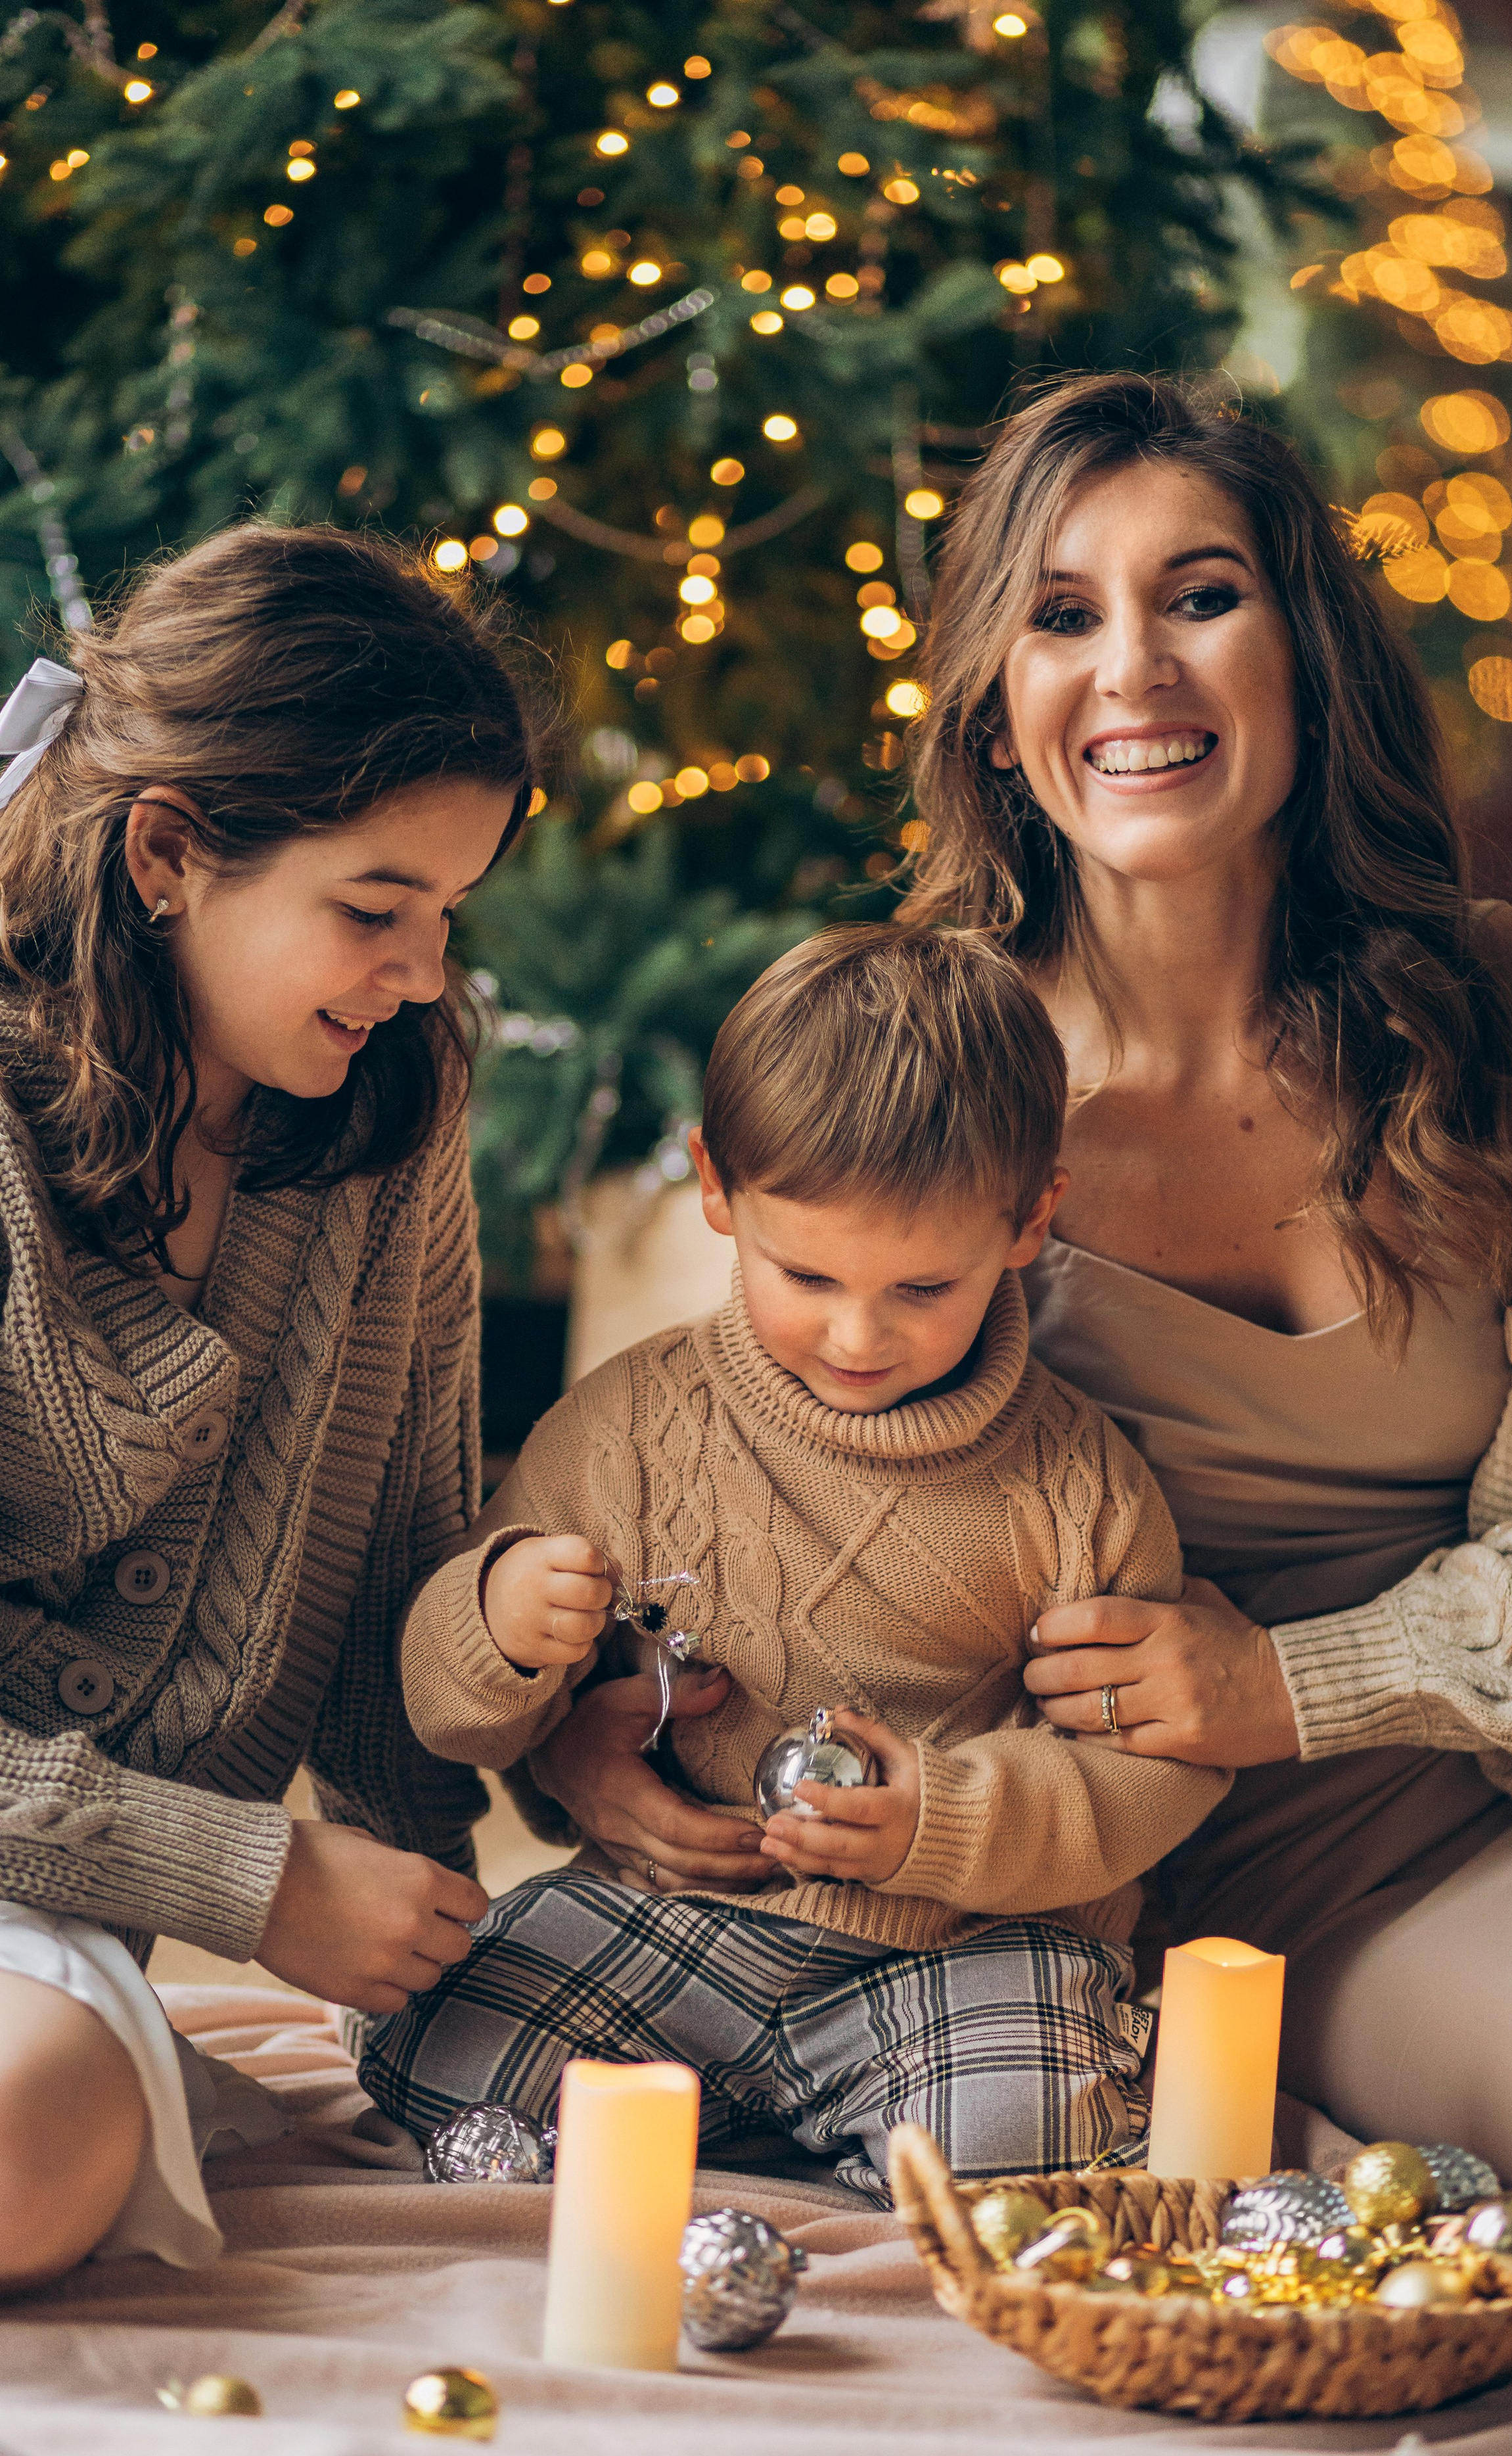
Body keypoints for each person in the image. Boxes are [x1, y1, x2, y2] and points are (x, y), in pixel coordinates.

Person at [896, 371, 1512, 2259]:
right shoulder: (912, 1080)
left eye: (1203, 594)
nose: (1134, 670)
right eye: (1063, 616)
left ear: (1308, 658)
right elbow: (730, 1531)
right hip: (1249, 1922)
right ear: (999, 715)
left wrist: (1289, 1683)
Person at [361, 927, 1228, 2197]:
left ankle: (796, 2124)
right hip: (676, 1924)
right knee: (438, 2031)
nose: (858, 1334)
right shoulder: (628, 1428)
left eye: (924, 1287)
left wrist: (940, 1816)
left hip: (957, 1952)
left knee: (1022, 2139)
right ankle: (787, 2122)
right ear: (719, 1188)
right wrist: (495, 1622)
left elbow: (1151, 1773)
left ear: (1031, 1217)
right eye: (805, 1273)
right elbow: (447, 1715)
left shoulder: (1078, 1485)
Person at [0, 521, 532, 2287]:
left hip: (39, 1931)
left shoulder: (386, 1121)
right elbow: (252, 1873)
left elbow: (405, 1566)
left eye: (448, 916)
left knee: (41, 2118)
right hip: (66, 1880)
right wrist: (246, 1878)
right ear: (170, 852)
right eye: (375, 911)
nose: (425, 974)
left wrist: (448, 1938)